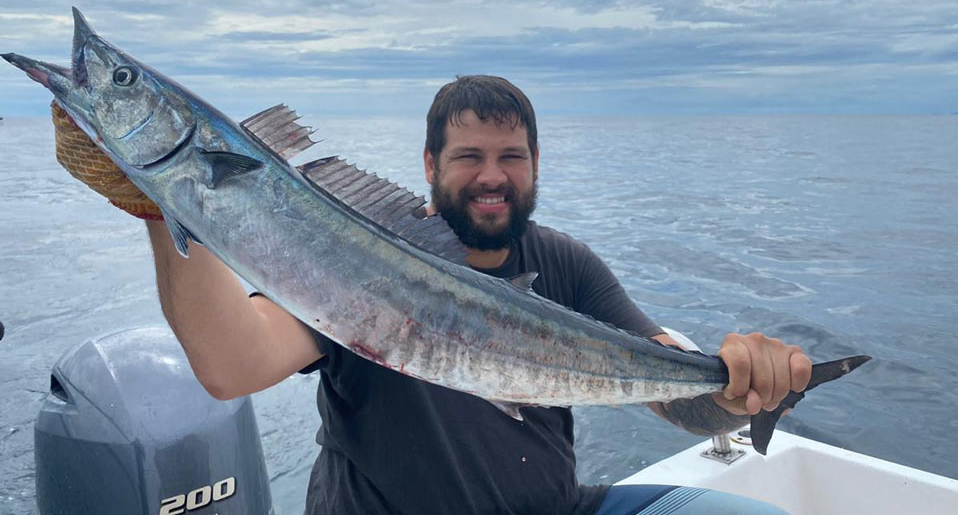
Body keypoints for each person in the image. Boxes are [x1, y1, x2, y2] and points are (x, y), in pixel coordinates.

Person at [52, 75, 809, 515]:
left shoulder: (565, 262)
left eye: (510, 157)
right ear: (427, 164)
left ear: (535, 166)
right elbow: (229, 365)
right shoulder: (354, 258)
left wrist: (738, 385)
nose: (491, 175)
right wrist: (159, 206)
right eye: (468, 156)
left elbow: (674, 390)